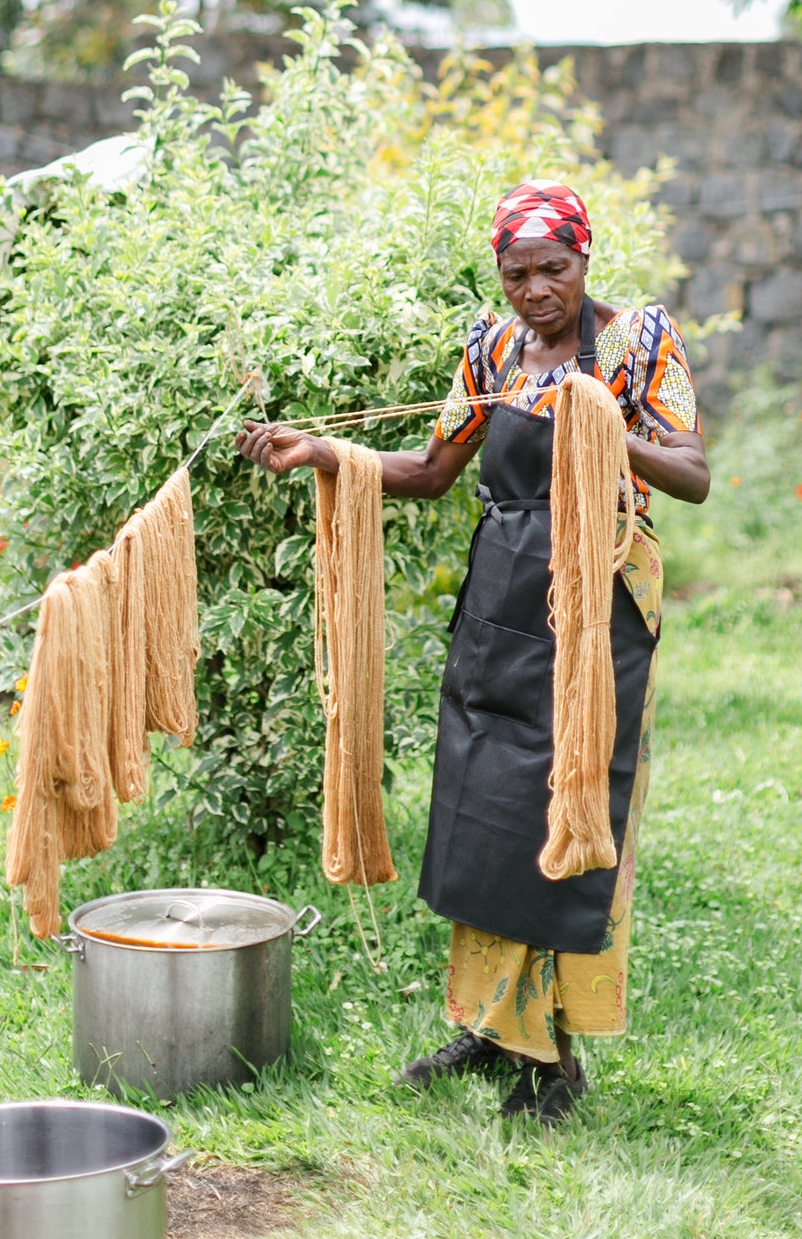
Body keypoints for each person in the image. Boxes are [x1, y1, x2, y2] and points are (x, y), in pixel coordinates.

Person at [235, 179, 710, 1124]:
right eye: (516, 274)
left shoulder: (637, 342)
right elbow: (431, 469)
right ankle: (492, 1027)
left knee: (571, 805)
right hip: (501, 595)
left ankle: (554, 1056)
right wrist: (323, 453)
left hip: (598, 607)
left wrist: (601, 425)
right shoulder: (491, 349)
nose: (536, 291)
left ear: (584, 258)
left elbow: (691, 474)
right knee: (486, 811)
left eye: (553, 269)